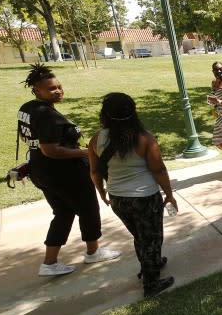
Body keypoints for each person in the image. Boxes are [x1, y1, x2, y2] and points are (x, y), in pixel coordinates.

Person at [17, 63, 121, 276]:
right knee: (88, 208)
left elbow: (26, 137)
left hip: (41, 171)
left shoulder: (28, 108)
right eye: (51, 88)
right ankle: (93, 252)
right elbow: (52, 151)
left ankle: (50, 263)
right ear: (37, 90)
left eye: (59, 86)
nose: (58, 91)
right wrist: (85, 153)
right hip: (63, 173)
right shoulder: (47, 115)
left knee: (63, 212)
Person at [88, 93, 175, 297]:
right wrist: (169, 194)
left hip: (118, 198)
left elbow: (95, 171)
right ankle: (151, 283)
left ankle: (149, 265)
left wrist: (102, 192)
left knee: (139, 236)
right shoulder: (145, 138)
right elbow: (159, 170)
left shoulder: (96, 139)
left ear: (105, 114)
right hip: (145, 197)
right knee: (152, 238)